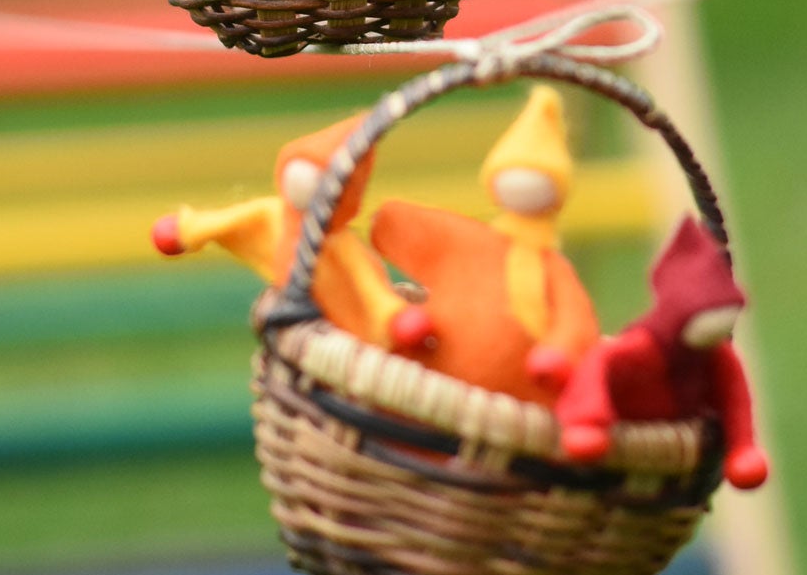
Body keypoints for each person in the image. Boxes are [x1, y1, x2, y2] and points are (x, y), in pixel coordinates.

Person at [368, 86, 600, 403]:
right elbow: (424, 234)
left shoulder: (552, 270)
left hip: (522, 397)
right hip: (435, 373)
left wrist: (559, 352)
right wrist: (389, 223)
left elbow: (575, 320)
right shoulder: (471, 242)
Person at [151, 115, 407, 346]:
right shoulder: (272, 215)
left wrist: (390, 316)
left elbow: (367, 285)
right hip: (297, 310)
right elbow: (230, 222)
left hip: (340, 326)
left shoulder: (341, 245)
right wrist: (186, 230)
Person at [554, 216, 769, 487]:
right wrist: (586, 421)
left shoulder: (717, 355)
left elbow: (734, 396)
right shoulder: (643, 347)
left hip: (671, 457)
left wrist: (743, 448)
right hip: (618, 442)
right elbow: (598, 364)